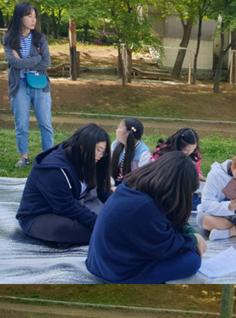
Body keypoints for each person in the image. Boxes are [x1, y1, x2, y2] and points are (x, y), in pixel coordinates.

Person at [86, 152, 205, 283]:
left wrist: (188, 230)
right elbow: (164, 248)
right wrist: (192, 240)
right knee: (193, 260)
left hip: (101, 262)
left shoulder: (135, 187)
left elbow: (169, 218)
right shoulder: (146, 207)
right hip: (117, 272)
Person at [16, 123, 112, 246]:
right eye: (98, 150)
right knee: (83, 229)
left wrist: (115, 206)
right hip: (40, 216)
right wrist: (99, 223)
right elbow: (67, 207)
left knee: (110, 219)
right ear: (82, 146)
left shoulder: (90, 159)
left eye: (103, 152)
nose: (100, 156)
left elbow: (102, 191)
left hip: (76, 204)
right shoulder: (54, 169)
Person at [2, 2, 53, 168]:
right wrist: (36, 59)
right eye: (29, 16)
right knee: (21, 123)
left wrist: (24, 61)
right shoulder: (9, 38)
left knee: (45, 122)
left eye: (34, 16)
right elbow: (14, 63)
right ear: (20, 17)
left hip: (40, 84)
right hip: (19, 85)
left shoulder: (39, 38)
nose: (33, 20)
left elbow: (46, 62)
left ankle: (47, 156)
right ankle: (24, 156)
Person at [151, 128, 204, 209]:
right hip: (167, 191)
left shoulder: (194, 154)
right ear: (179, 146)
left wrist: (198, 175)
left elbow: (197, 168)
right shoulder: (163, 153)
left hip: (188, 191)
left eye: (193, 150)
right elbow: (157, 176)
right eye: (186, 151)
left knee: (202, 205)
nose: (189, 153)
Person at [110, 118, 152, 187]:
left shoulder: (144, 154)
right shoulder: (115, 144)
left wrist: (120, 189)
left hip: (131, 188)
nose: (116, 130)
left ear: (128, 133)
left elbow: (141, 180)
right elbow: (108, 166)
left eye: (119, 127)